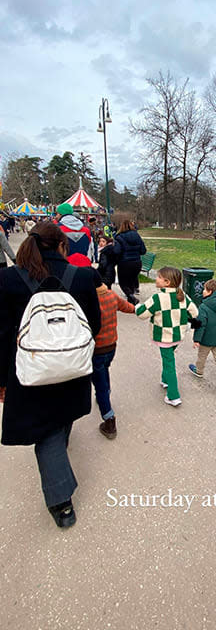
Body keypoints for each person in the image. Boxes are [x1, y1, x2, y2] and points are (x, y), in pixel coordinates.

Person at [0, 222, 101, 528]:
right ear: (62, 245)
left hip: (29, 373)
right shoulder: (81, 277)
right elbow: (92, 326)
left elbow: (3, 334)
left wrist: (2, 380)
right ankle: (59, 465)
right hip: (73, 370)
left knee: (45, 432)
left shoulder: (7, 280)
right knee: (59, 421)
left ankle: (61, 502)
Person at [135, 266, 198, 406]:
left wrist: (136, 306)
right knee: (168, 357)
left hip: (164, 337)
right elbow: (195, 312)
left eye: (158, 277)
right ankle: (165, 380)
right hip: (178, 335)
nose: (156, 279)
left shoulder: (157, 298)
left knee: (169, 364)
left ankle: (173, 396)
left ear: (167, 282)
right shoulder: (182, 295)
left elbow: (141, 314)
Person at [91, 271, 135, 440]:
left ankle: (109, 420)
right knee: (104, 371)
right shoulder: (111, 295)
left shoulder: (89, 300)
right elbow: (128, 307)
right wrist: (142, 311)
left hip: (97, 349)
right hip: (111, 346)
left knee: (99, 382)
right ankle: (105, 393)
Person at [188, 279, 216, 388]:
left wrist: (196, 339)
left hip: (206, 339)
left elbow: (201, 325)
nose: (202, 291)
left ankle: (199, 371)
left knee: (202, 356)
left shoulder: (204, 306)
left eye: (204, 290)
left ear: (210, 292)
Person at [113, 219, 146, 305]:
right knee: (131, 280)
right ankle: (131, 299)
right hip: (136, 262)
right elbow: (143, 251)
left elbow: (117, 251)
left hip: (124, 263)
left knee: (123, 282)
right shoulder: (137, 236)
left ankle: (130, 296)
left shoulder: (119, 237)